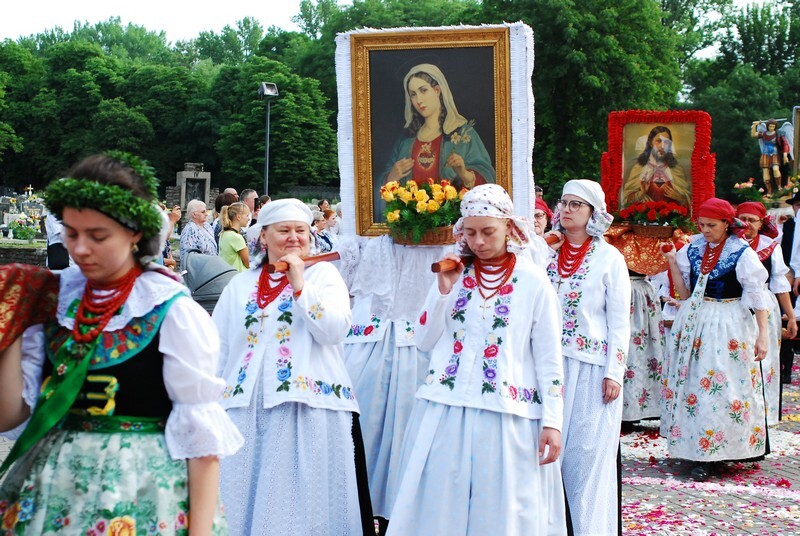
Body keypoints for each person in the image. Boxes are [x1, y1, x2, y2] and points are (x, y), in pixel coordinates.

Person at [0, 152, 243, 532]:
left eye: (98, 236)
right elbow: (9, 416)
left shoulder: (171, 310)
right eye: (71, 233)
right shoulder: (52, 301)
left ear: (134, 234)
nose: (80, 249)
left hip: (140, 495)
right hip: (51, 493)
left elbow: (203, 446)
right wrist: (10, 322)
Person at [387, 184, 564, 535]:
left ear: (509, 228)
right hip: (448, 407)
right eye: (470, 233)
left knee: (500, 510)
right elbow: (423, 340)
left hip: (507, 414)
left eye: (488, 232)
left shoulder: (533, 281)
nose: (478, 242)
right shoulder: (453, 273)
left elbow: (549, 357)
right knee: (439, 508)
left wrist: (553, 422)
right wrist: (443, 290)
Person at [213, 198, 373, 535]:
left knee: (294, 504)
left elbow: (334, 331)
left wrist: (301, 286)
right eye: (283, 230)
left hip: (306, 407)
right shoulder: (240, 284)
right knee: (238, 493)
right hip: (244, 406)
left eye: (300, 230)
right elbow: (219, 346)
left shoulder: (324, 275)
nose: (293, 237)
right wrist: (212, 400)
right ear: (263, 237)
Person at [661, 198, 770, 482]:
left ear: (726, 223)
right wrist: (672, 261)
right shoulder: (693, 249)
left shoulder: (741, 252)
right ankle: (697, 448)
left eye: (711, 225)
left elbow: (758, 297)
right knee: (696, 384)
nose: (705, 230)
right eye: (701, 225)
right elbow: (685, 293)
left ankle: (725, 448)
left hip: (729, 323)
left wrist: (762, 336)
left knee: (723, 384)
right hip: (696, 321)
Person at [546, 179, 630, 536]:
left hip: (592, 369)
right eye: (564, 202)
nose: (566, 210)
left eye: (576, 204)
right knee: (547, 459)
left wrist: (614, 372)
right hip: (549, 367)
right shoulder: (546, 255)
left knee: (585, 458)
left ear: (593, 213)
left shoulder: (610, 259)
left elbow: (619, 321)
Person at [381, 63, 495, 191]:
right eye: (413, 94)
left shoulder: (463, 134)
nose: (418, 100)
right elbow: (378, 189)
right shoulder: (405, 140)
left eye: (423, 90)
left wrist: (464, 174)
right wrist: (391, 177)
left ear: (437, 90)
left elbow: (488, 181)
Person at [736, 201, 797, 426]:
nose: (747, 224)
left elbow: (780, 285)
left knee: (765, 357)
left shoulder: (770, 246)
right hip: (736, 306)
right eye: (742, 219)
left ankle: (763, 412)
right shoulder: (730, 244)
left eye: (752, 220)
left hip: (765, 305)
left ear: (761, 223)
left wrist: (791, 316)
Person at [622, 125, 691, 207]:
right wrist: (641, 193)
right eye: (658, 141)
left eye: (667, 142)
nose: (662, 146)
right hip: (644, 214)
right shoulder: (639, 169)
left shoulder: (676, 170)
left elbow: (689, 202)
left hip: (672, 214)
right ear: (651, 143)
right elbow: (625, 200)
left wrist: (679, 198)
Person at [751, 119, 791, 194]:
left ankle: (779, 187)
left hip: (775, 154)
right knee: (765, 172)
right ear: (767, 126)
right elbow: (753, 134)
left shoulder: (778, 134)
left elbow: (785, 144)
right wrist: (754, 125)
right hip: (765, 154)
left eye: (773, 126)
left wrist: (785, 154)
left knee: (775, 169)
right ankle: (769, 191)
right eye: (770, 126)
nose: (771, 128)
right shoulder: (764, 134)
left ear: (775, 126)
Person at [180, 198, 217, 269]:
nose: (206, 214)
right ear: (194, 214)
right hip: (199, 271)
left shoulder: (207, 226)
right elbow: (190, 257)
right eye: (203, 212)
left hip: (211, 268)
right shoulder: (189, 230)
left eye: (206, 211)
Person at [218, 202, 251, 272]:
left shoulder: (224, 234)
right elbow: (249, 263)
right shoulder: (236, 237)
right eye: (247, 215)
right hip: (238, 275)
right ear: (238, 217)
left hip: (228, 274)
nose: (249, 219)